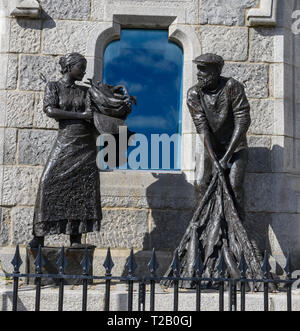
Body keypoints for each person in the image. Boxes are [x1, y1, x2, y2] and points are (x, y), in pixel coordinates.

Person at [29, 53, 101, 248]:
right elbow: (51, 110)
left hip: (86, 144)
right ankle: (39, 235)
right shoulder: (54, 86)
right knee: (47, 182)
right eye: (81, 67)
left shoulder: (86, 91)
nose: (84, 71)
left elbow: (94, 114)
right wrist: (80, 115)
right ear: (69, 67)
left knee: (81, 188)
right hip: (66, 140)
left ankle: (75, 238)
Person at [187, 53, 251, 220]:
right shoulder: (194, 94)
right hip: (210, 145)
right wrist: (215, 160)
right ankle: (203, 226)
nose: (198, 74)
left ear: (216, 72)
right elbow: (202, 128)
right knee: (201, 182)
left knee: (235, 185)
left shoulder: (232, 87)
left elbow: (243, 121)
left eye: (203, 70)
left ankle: (238, 228)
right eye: (198, 69)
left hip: (235, 144)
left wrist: (226, 158)